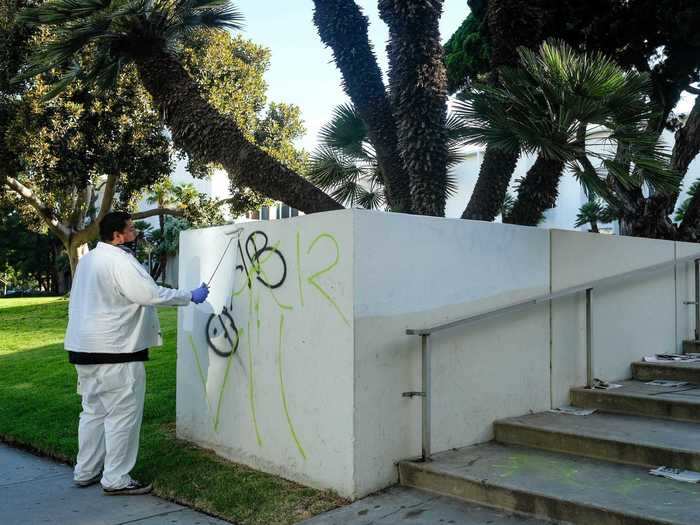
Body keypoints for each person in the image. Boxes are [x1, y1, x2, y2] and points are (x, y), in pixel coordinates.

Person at [64, 211, 210, 495]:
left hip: (83, 350)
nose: (135, 232)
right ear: (117, 235)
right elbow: (148, 294)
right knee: (122, 415)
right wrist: (189, 296)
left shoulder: (90, 259)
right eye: (131, 229)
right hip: (116, 351)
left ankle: (86, 471)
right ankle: (116, 479)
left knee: (93, 412)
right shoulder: (120, 260)